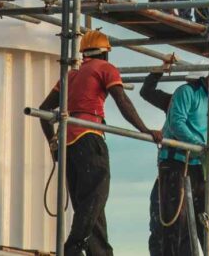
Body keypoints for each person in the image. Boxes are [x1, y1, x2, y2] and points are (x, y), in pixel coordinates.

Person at [38, 30, 162, 256]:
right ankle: (72, 248)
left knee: (91, 208)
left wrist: (53, 143)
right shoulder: (105, 69)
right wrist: (145, 130)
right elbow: (122, 101)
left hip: (68, 144)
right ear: (105, 54)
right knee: (96, 197)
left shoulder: (71, 76)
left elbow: (44, 111)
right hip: (89, 137)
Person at [141, 63, 209, 256]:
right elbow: (176, 122)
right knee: (175, 225)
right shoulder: (185, 93)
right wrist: (199, 145)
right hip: (176, 164)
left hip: (198, 166)